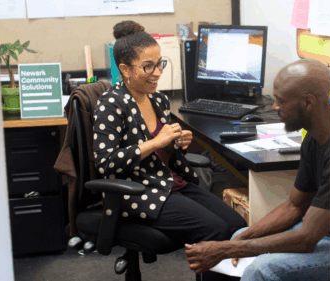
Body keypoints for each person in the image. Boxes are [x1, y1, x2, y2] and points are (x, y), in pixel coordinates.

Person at [92, 20, 247, 271]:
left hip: (169, 181)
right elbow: (106, 163)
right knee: (215, 230)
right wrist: (155, 143)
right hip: (137, 190)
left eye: (160, 63)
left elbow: (164, 151)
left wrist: (177, 144)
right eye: (148, 67)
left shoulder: (159, 99)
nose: (158, 73)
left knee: (236, 225)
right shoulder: (111, 104)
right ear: (125, 69)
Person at [185, 58, 330, 281]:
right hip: (321, 232)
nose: (274, 107)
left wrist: (227, 250)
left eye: (280, 101)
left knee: (263, 269)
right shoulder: (313, 140)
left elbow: (306, 238)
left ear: (308, 103)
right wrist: (237, 242)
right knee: (236, 236)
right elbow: (294, 206)